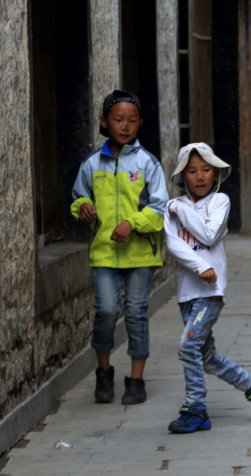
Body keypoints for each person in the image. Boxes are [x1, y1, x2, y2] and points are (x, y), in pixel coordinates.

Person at [163, 143, 251, 434]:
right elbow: (174, 244)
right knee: (205, 356)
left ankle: (195, 409)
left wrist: (182, 211)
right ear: (182, 176)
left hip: (210, 293)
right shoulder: (173, 207)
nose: (199, 176)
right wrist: (199, 267)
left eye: (206, 169)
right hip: (187, 292)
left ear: (216, 174)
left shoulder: (220, 202)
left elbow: (209, 234)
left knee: (188, 345)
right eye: (192, 171)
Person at [71, 90, 169, 405]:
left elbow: (160, 208)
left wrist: (133, 224)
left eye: (131, 120)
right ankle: (104, 372)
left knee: (137, 313)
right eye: (117, 120)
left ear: (140, 124)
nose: (124, 126)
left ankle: (136, 380)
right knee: (106, 311)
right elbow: (78, 197)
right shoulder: (91, 163)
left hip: (140, 254)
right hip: (104, 253)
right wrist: (83, 207)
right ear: (104, 122)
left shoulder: (147, 163)